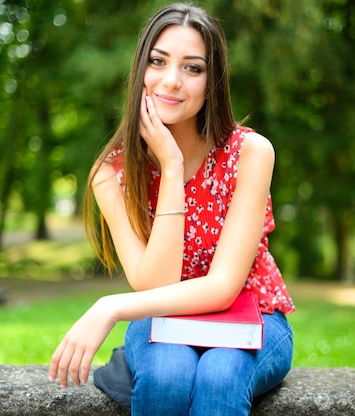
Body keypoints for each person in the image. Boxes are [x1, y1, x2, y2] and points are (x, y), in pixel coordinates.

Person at [48, 3, 295, 415]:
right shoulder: (112, 173)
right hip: (160, 319)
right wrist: (170, 165)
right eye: (158, 61)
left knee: (220, 374)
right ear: (141, 69)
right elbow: (156, 285)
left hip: (251, 315)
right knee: (167, 374)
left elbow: (223, 287)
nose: (171, 81)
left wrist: (112, 306)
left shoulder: (250, 153)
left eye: (192, 68)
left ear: (211, 81)